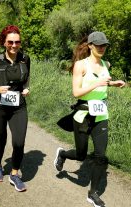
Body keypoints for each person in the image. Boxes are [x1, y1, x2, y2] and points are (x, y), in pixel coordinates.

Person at [54, 31, 125, 207]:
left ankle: (93, 193)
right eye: (98, 45)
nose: (102, 48)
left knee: (101, 155)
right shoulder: (81, 65)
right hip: (83, 114)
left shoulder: (106, 63)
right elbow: (76, 92)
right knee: (81, 154)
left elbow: (103, 81)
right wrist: (98, 83)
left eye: (104, 45)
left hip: (101, 114)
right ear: (91, 45)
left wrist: (113, 83)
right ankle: (62, 154)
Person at [0, 25, 30, 192]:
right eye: (11, 42)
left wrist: (26, 89)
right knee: (0, 140)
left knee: (19, 142)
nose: (14, 45)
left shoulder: (25, 58)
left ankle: (15, 174)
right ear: (4, 42)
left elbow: (26, 78)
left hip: (18, 107)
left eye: (17, 42)